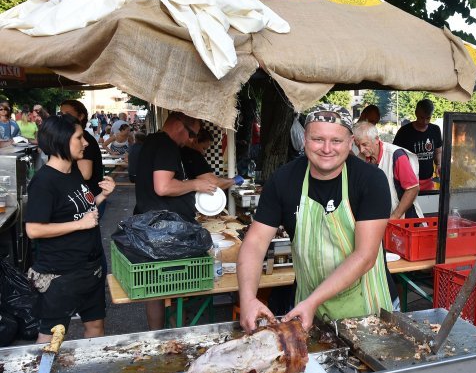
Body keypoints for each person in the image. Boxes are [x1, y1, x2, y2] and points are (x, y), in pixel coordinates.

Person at [237, 104, 393, 332]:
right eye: (318, 139)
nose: (327, 148)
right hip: (307, 310)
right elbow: (255, 242)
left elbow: (365, 256)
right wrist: (248, 298)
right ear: (304, 140)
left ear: (350, 143)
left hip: (367, 308)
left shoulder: (371, 180)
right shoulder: (283, 180)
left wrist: (312, 301)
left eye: (336, 141)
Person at [25, 115, 115, 343]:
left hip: (89, 269)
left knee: (95, 326)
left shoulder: (73, 172)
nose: (85, 142)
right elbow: (34, 230)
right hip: (61, 275)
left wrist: (102, 195)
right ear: (62, 141)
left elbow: (83, 210)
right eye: (79, 137)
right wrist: (79, 225)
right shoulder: (44, 182)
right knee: (51, 337)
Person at [134, 112, 217, 329]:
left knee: (155, 287)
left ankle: (158, 335)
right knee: (181, 283)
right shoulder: (166, 145)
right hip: (166, 231)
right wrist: (195, 185)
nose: (191, 140)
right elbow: (163, 186)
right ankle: (177, 332)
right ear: (179, 124)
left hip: (152, 226)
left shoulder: (152, 140)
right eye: (191, 135)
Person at [354, 121, 423, 220]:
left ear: (376, 139)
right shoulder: (361, 158)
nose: (361, 150)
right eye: (357, 145)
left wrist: (395, 216)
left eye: (365, 144)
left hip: (405, 220)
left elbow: (413, 189)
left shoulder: (396, 155)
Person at [60, 100, 105, 217]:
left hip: (87, 200)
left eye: (68, 114)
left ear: (81, 116)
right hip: (83, 201)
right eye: (61, 114)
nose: (63, 117)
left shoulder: (84, 139)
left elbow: (85, 174)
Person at [392, 99, 442, 191]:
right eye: (421, 118)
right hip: (408, 181)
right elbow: (394, 155)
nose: (424, 122)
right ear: (416, 113)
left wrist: (438, 164)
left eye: (428, 118)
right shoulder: (404, 131)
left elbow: (438, 151)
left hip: (428, 181)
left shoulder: (435, 130)